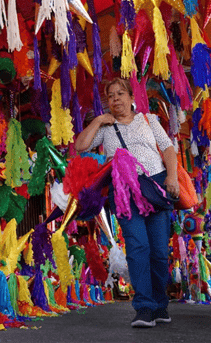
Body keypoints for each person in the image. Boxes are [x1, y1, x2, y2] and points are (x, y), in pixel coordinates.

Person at [75, 77, 179, 328]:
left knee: (159, 251)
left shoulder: (148, 120)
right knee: (137, 247)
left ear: (132, 98)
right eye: (110, 96)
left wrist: (172, 177)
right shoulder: (105, 128)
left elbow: (167, 148)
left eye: (120, 94)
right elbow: (80, 146)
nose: (116, 99)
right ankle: (144, 307)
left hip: (154, 185)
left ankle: (160, 303)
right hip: (124, 192)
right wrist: (98, 120)